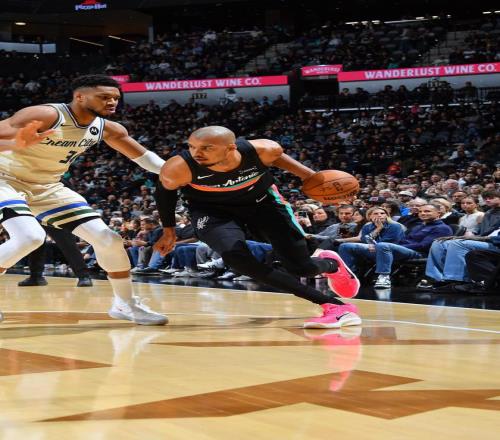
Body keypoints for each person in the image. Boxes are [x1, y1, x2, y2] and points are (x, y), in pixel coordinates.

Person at [154, 126, 361, 328]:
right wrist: (169, 231)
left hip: (263, 204)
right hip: (212, 212)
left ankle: (331, 265)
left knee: (301, 268)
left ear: (231, 148)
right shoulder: (179, 167)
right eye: (192, 146)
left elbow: (305, 174)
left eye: (207, 148)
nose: (196, 153)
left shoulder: (263, 150)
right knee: (237, 259)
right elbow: (165, 192)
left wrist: (318, 182)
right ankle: (335, 306)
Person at [0, 74, 167, 325]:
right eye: (104, 97)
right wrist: (15, 143)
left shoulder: (108, 129)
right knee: (30, 237)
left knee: (109, 240)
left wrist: (188, 175)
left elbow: (147, 160)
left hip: (47, 186)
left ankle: (125, 304)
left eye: (115, 98)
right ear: (79, 96)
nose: (112, 102)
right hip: (4, 178)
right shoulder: (46, 114)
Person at [18, 224, 93, 287]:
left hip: (53, 213)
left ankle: (84, 276)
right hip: (35, 214)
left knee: (67, 243)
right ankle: (35, 277)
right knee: (36, 243)